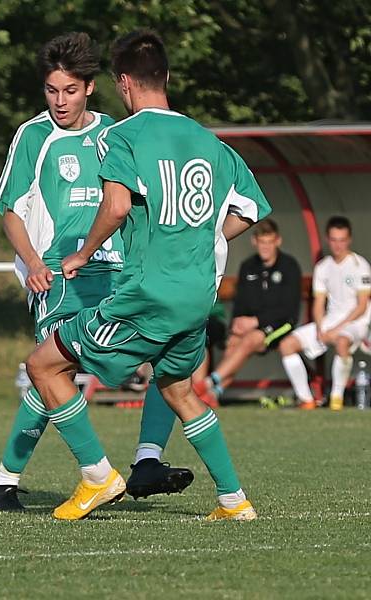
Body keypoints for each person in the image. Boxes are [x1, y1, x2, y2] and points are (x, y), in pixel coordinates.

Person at [25, 30, 271, 521]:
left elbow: (115, 207)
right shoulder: (208, 140)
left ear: (122, 83)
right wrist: (204, 239)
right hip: (198, 295)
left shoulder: (123, 136)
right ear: (167, 78)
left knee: (44, 366)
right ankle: (233, 501)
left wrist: (80, 255)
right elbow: (252, 209)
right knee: (178, 389)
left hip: (147, 295)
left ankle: (99, 476)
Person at [0, 32, 192, 512]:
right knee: (55, 369)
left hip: (116, 272)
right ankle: (24, 480)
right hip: (57, 278)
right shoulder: (32, 135)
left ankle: (145, 462)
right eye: (51, 90)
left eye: (69, 90)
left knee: (169, 354)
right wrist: (34, 263)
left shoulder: (115, 133)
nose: (59, 101)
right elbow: (9, 209)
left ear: (90, 88)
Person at [194, 218, 302, 406]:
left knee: (251, 339)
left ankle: (207, 384)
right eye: (262, 242)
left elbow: (288, 309)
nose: (265, 247)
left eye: (269, 242)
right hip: (254, 326)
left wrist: (255, 321)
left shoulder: (289, 266)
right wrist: (237, 324)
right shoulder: (248, 267)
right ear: (255, 242)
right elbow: (241, 303)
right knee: (235, 342)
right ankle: (214, 394)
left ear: (278, 241)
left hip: (282, 325)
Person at [279, 216, 371, 410]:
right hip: (330, 322)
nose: (338, 245)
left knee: (342, 341)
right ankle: (306, 399)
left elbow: (362, 306)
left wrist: (336, 329)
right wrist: (321, 327)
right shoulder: (323, 267)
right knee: (287, 345)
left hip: (357, 323)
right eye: (334, 240)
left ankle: (336, 397)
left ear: (349, 240)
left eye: (342, 240)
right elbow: (319, 302)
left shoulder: (360, 265)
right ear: (328, 240)